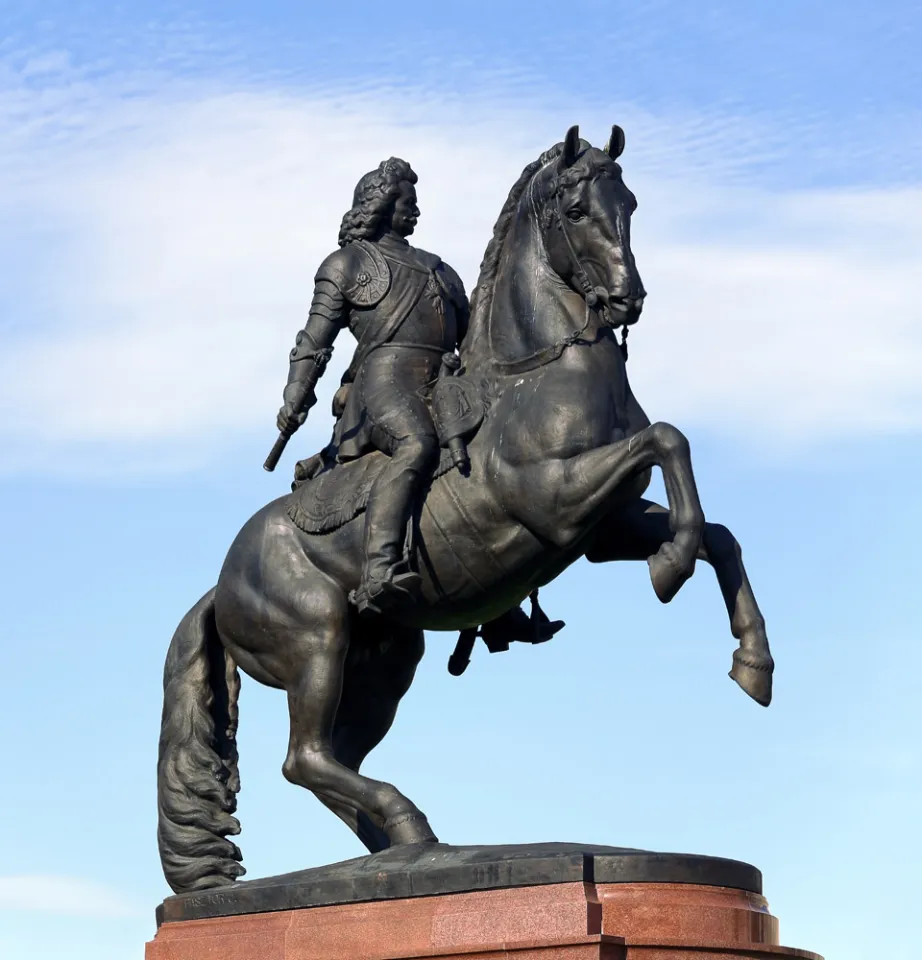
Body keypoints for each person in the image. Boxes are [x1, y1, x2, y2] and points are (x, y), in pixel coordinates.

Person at [276, 157, 470, 614]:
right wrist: (294, 395)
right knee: (416, 444)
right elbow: (313, 343)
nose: (416, 211)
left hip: (443, 380)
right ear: (382, 204)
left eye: (416, 203)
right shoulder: (346, 265)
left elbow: (472, 330)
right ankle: (379, 570)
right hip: (383, 386)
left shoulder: (439, 269)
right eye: (407, 202)